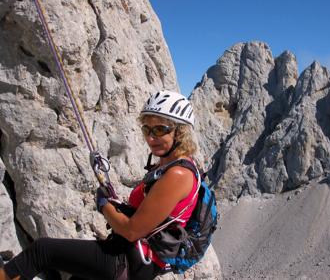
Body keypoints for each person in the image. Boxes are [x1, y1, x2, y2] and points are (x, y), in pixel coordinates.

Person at [0, 90, 199, 280]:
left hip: (131, 260)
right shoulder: (168, 165)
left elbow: (132, 231)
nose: (150, 137)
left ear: (180, 132)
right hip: (133, 256)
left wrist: (104, 205)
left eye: (159, 129)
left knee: (42, 251)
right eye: (146, 128)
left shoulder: (178, 174)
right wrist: (117, 204)